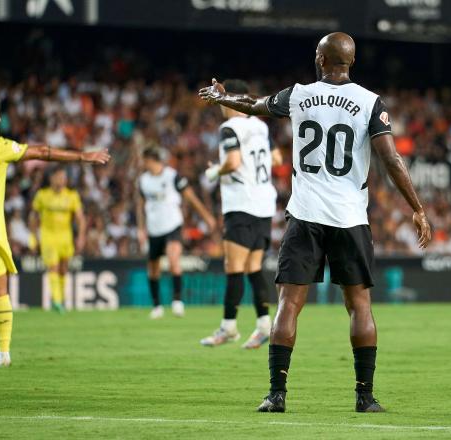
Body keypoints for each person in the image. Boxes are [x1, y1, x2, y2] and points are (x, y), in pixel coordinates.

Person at [198, 32, 431, 412]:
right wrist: (417, 208)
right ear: (350, 61)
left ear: (321, 59)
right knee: (359, 306)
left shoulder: (299, 94)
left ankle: (276, 395)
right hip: (350, 217)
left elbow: (253, 105)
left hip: (305, 214)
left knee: (288, 304)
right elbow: (391, 160)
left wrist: (221, 97)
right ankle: (364, 397)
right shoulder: (370, 102)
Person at [0, 94, 110, 367]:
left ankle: (4, 353)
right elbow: (43, 152)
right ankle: (3, 352)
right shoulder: (0, 147)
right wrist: (82, 156)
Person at [200, 79, 282, 349]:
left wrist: (214, 171)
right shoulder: (260, 125)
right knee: (254, 268)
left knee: (233, 268)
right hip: (264, 204)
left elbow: (233, 163)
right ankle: (262, 326)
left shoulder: (229, 128)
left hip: (241, 203)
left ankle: (228, 327)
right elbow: (278, 160)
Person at [136, 147, 216, 319]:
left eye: (145, 160)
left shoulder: (172, 176)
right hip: (154, 227)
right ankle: (157, 306)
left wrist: (207, 216)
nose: (143, 164)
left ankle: (177, 302)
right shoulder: (143, 180)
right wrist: (141, 228)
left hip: (172, 224)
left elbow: (190, 197)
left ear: (151, 160)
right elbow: (140, 206)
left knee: (174, 260)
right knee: (153, 268)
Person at [30, 166, 86, 313]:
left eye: (64, 177)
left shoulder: (72, 196)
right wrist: (33, 237)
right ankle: (57, 301)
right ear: (52, 178)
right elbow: (34, 217)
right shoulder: (42, 195)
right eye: (59, 177)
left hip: (65, 237)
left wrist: (80, 236)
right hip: (48, 236)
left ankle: (60, 299)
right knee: (53, 267)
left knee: (63, 269)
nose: (62, 180)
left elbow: (80, 218)